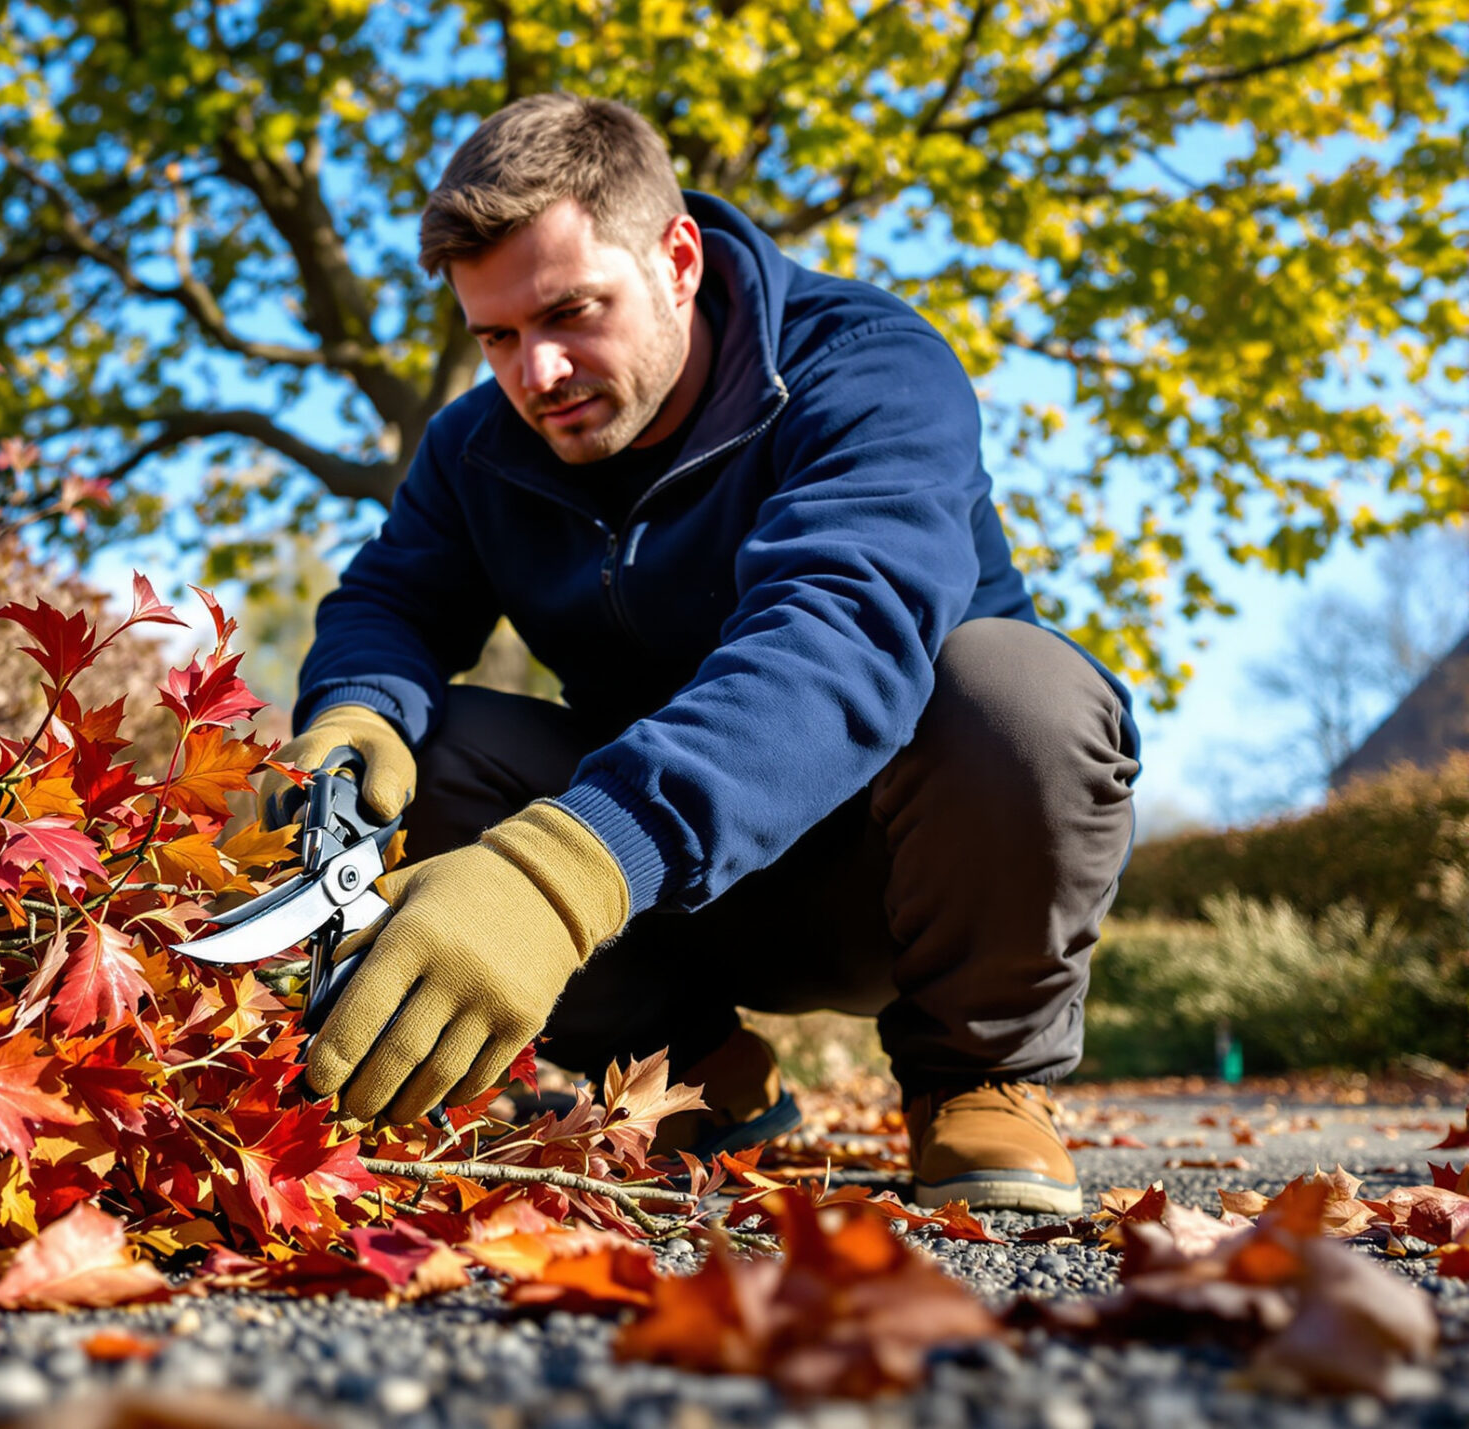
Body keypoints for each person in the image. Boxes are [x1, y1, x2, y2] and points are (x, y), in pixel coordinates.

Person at [270, 92, 1139, 1215]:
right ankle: (689, 1073)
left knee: (1017, 693)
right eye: (496, 336)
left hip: (892, 872)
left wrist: (559, 875)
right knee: (430, 741)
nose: (536, 374)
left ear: (677, 258)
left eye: (573, 313)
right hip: (668, 899)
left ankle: (977, 1078)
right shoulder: (475, 448)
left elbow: (840, 633)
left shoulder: (866, 370)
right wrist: (351, 716)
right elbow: (390, 600)